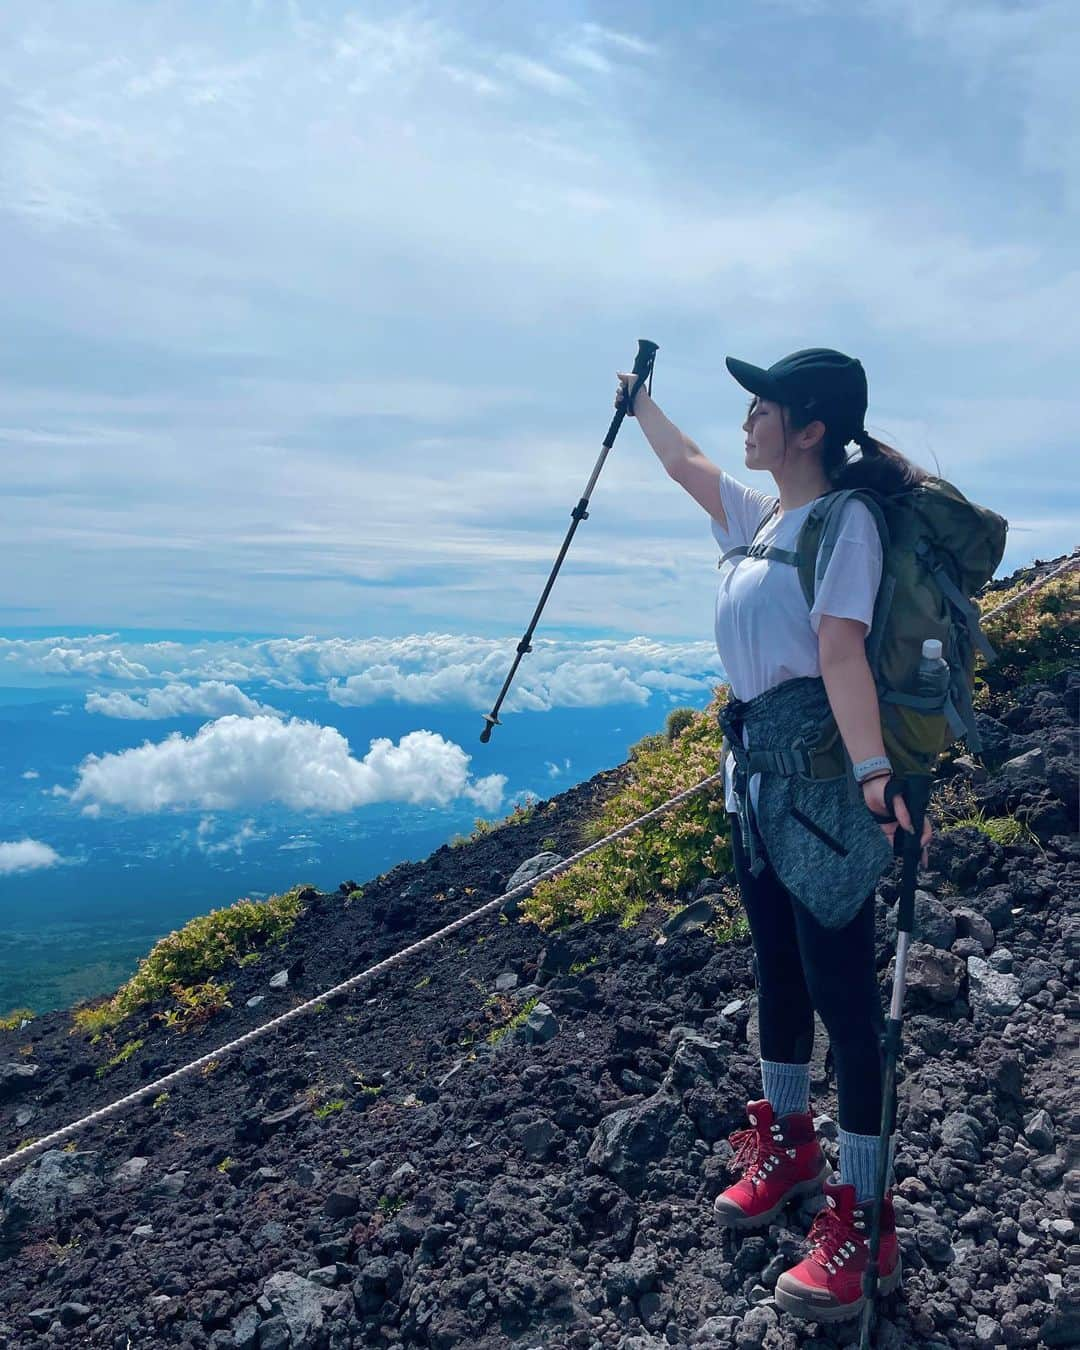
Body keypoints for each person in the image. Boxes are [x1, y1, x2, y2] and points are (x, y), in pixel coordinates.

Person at [617, 348, 933, 1324]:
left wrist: (878, 774)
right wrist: (642, 408)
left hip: (828, 798)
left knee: (845, 995)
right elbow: (688, 464)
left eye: (764, 408)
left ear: (807, 428)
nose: (746, 421)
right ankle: (791, 1145)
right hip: (756, 789)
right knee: (779, 975)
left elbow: (840, 651)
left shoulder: (847, 525)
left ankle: (866, 1217)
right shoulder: (764, 523)